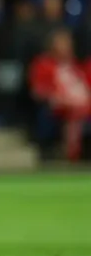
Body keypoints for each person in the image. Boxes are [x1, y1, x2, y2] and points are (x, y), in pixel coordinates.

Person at [29, 29, 91, 161]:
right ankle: (68, 155)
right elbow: (37, 91)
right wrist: (55, 97)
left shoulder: (78, 65)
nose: (66, 46)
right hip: (59, 107)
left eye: (68, 42)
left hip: (84, 107)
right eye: (62, 43)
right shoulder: (44, 64)